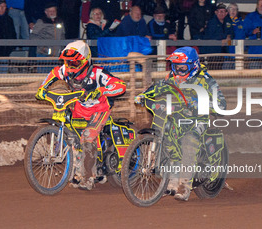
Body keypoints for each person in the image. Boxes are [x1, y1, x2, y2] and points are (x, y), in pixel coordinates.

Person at [134, 47, 226, 201]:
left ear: (193, 65)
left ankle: (184, 185)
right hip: (176, 117)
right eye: (176, 67)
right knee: (168, 139)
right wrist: (144, 95)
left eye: (183, 67)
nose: (179, 70)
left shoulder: (206, 80)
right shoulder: (172, 77)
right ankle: (171, 182)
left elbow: (221, 105)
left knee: (189, 141)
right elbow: (159, 87)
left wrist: (198, 102)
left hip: (199, 120)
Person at [35, 40, 127, 190]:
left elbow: (121, 85)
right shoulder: (64, 70)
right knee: (72, 137)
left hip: (99, 110)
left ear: (85, 61)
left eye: (75, 63)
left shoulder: (97, 73)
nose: (70, 67)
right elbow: (53, 73)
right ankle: (78, 170)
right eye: (68, 62)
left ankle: (88, 178)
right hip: (80, 109)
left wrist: (102, 91)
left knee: (88, 136)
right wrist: (42, 88)